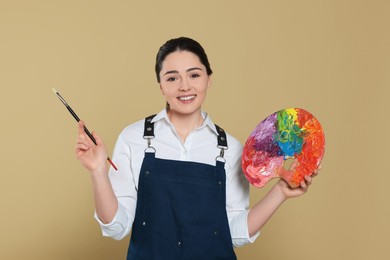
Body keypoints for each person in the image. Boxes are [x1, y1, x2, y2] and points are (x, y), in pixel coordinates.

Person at [75, 37, 318, 260]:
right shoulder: (134, 138)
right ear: (160, 85)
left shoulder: (230, 148)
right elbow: (117, 227)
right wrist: (98, 172)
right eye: (172, 78)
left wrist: (280, 193)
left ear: (208, 79)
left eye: (194, 75)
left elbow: (234, 233)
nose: (184, 86)